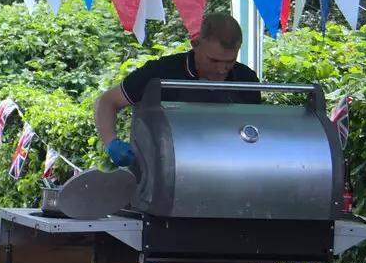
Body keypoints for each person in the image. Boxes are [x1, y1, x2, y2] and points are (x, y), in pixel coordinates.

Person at [92, 12, 261, 166]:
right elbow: (107, 101)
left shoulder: (246, 79)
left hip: (230, 171)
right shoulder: (161, 72)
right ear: (196, 45)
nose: (221, 69)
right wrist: (111, 142)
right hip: (163, 170)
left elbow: (256, 130)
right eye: (214, 61)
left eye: (229, 61)